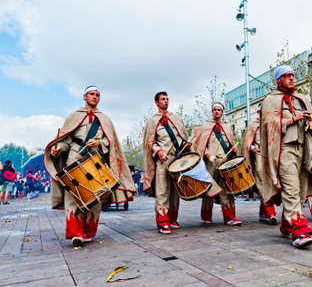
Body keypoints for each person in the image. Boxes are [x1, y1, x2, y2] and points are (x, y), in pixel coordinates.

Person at [259, 65, 312, 248]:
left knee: (300, 193)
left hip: (304, 149)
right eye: (286, 75)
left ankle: (286, 225)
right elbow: (269, 126)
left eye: (292, 75)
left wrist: (311, 119)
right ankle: (300, 231)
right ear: (278, 80)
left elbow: (311, 126)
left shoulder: (303, 99)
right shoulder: (270, 100)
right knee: (291, 190)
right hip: (284, 150)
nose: (291, 78)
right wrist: (295, 118)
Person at [45, 86, 136, 245]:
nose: (95, 97)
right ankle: (76, 232)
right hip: (74, 156)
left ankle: (88, 231)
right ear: (85, 96)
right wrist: (57, 149)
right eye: (92, 94)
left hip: (96, 158)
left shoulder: (105, 119)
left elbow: (111, 141)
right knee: (73, 194)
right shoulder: (74, 116)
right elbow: (66, 141)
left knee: (96, 195)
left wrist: (99, 142)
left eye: (97, 95)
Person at [143, 91, 200, 234]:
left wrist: (186, 145)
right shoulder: (152, 121)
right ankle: (163, 222)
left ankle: (172, 219)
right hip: (163, 160)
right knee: (163, 191)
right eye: (163, 99)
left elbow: (181, 136)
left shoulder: (175, 118)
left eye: (167, 99)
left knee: (175, 192)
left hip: (178, 158)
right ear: (156, 102)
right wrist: (159, 151)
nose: (166, 101)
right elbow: (150, 142)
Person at [193, 102, 242, 226]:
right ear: (212, 112)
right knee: (209, 188)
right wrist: (208, 154)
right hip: (211, 162)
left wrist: (234, 149)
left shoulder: (227, 127)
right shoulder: (205, 126)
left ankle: (230, 217)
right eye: (214, 109)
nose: (216, 112)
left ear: (222, 112)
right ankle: (206, 216)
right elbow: (200, 144)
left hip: (225, 161)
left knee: (227, 189)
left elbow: (230, 142)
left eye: (219, 110)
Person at [241, 105, 277, 224]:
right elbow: (246, 143)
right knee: (261, 183)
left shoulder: (272, 124)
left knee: (270, 183)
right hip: (259, 156)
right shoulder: (253, 125)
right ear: (258, 112)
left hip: (271, 156)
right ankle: (270, 212)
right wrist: (252, 148)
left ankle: (263, 213)